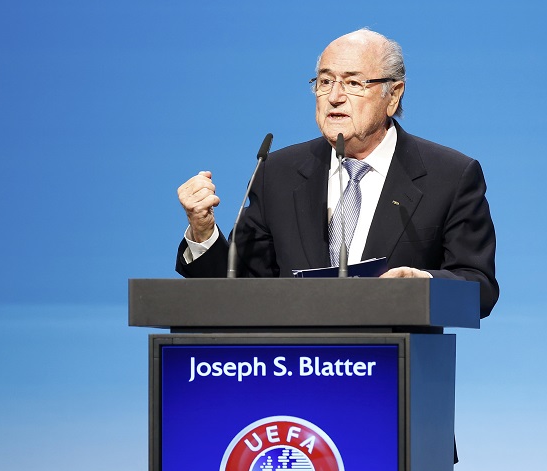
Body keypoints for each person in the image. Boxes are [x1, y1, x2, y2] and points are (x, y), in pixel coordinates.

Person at [175, 29, 499, 318]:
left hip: (389, 366)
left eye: (353, 83)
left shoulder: (450, 176)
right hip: (290, 367)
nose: (334, 97)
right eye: (325, 81)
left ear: (393, 94)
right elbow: (238, 286)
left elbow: (480, 288)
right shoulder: (277, 173)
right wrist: (203, 232)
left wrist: (424, 283)